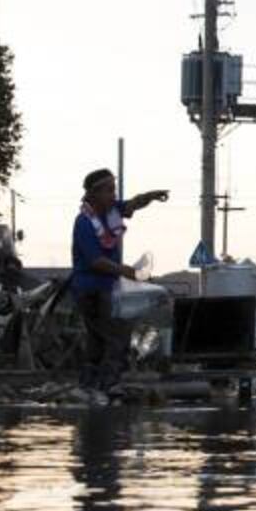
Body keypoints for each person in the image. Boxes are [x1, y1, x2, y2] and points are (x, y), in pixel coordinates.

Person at [70, 168, 168, 391]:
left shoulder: (110, 211)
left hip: (105, 288)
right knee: (116, 337)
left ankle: (90, 388)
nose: (114, 195)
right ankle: (108, 384)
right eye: (109, 190)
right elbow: (95, 261)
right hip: (90, 291)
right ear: (94, 193)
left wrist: (151, 196)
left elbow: (131, 205)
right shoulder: (84, 222)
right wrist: (126, 271)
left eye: (114, 190)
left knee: (98, 340)